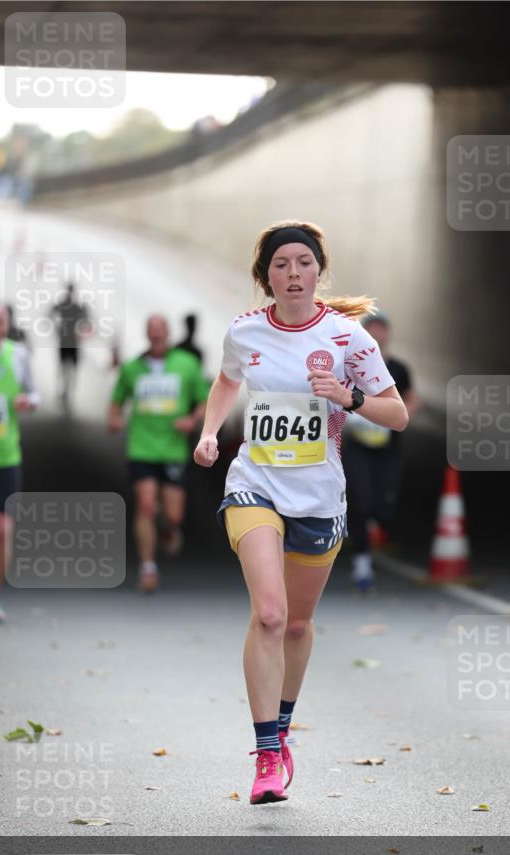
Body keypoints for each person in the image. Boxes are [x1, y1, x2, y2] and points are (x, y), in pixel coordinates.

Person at [193, 221, 408, 805]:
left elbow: (397, 414)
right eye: (281, 264)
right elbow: (225, 382)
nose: (293, 274)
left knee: (295, 624)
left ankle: (283, 730)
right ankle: (266, 755)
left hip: (318, 496)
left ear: (319, 271)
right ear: (266, 275)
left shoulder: (347, 338)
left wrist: (347, 397)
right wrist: (210, 432)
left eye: (304, 263)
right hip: (255, 484)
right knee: (269, 613)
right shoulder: (245, 331)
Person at [108, 315, 210, 592]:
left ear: (167, 333)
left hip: (173, 449)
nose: (156, 336)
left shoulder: (187, 365)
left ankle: (167, 525)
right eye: (151, 332)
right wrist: (114, 418)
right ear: (147, 334)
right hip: (141, 447)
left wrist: (192, 420)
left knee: (174, 515)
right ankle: (148, 568)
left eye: (160, 331)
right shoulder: (132, 368)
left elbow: (205, 400)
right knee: (145, 505)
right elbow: (117, 400)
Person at [342, 310, 420, 591]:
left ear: (387, 333)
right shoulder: (348, 366)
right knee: (361, 502)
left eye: (380, 328)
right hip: (357, 447)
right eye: (371, 328)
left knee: (384, 508)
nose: (376, 333)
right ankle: (362, 562)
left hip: (388, 449)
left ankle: (375, 524)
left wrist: (399, 417)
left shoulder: (398, 368)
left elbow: (411, 399)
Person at [0, 302, 40, 622]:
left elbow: (36, 394)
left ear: (5, 325)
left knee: (2, 530)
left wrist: (28, 401)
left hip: (5, 459)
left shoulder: (18, 356)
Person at [47, 283, 92, 407]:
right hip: (70, 342)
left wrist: (56, 328)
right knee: (68, 368)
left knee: (65, 368)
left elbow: (49, 314)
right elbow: (87, 320)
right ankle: (65, 391)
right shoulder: (75, 306)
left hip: (68, 341)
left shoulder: (66, 305)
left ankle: (65, 391)